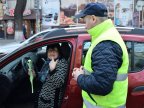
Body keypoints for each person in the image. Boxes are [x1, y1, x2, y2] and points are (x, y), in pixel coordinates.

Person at [72, 2, 129, 108]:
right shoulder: (106, 36)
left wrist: (79, 77)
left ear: (93, 19)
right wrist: (87, 72)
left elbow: (101, 85)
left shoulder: (106, 43)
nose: (85, 26)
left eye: (85, 21)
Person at [28, 43, 68, 108]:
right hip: (42, 97)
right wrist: (35, 75)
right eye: (50, 51)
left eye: (55, 50)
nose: (52, 53)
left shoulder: (62, 63)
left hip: (50, 101)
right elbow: (44, 76)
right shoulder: (48, 61)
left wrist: (52, 70)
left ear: (59, 52)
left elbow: (59, 83)